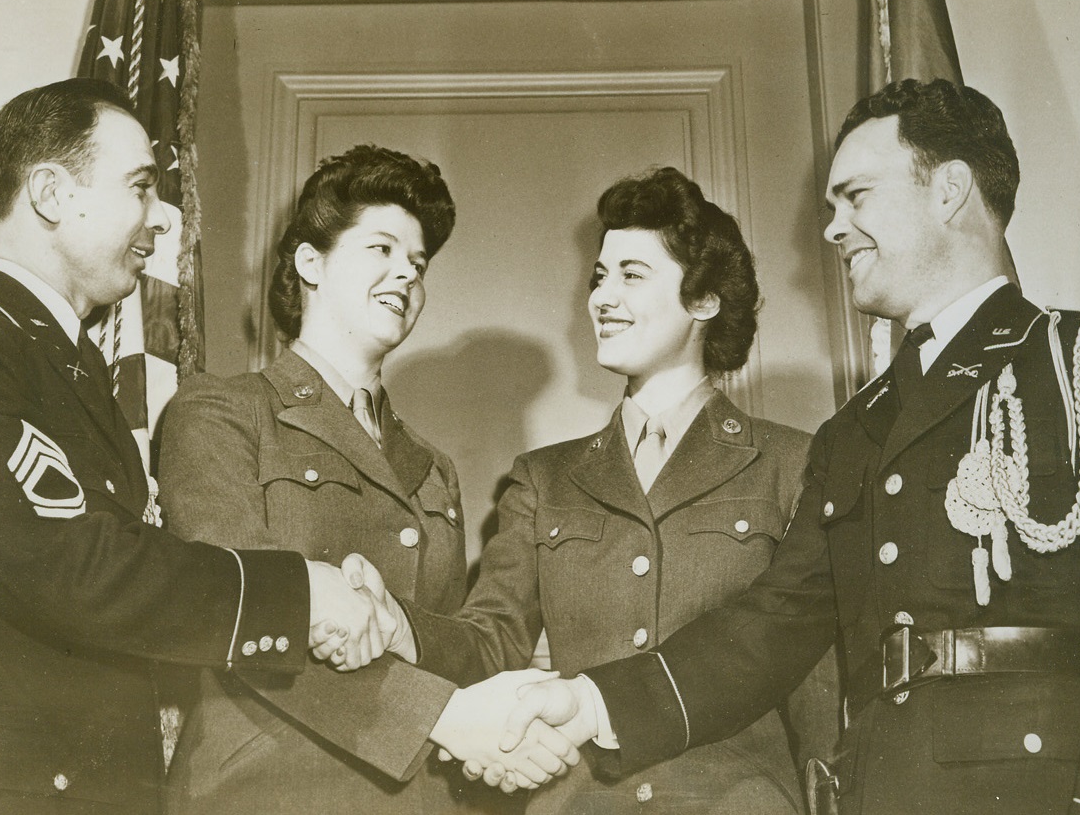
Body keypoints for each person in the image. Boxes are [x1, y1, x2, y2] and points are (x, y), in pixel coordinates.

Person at [496, 79, 1080, 815]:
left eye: (855, 197)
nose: (833, 228)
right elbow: (769, 626)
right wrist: (591, 703)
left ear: (950, 190)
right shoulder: (855, 430)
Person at [0, 79, 399, 814]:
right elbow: (72, 564)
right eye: (139, 187)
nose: (160, 220)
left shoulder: (58, 357)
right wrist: (298, 594)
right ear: (49, 192)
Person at [330, 168, 841, 812]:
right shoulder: (544, 480)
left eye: (633, 274)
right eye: (600, 276)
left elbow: (814, 684)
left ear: (705, 300)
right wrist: (398, 626)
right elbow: (490, 643)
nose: (601, 297)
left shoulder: (793, 463)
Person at [160, 145, 575, 813]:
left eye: (417, 263)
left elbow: (456, 643)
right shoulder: (221, 411)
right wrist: (441, 718)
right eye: (381, 249)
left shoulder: (432, 465)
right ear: (310, 262)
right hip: (266, 793)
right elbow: (239, 610)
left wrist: (410, 636)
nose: (406, 276)